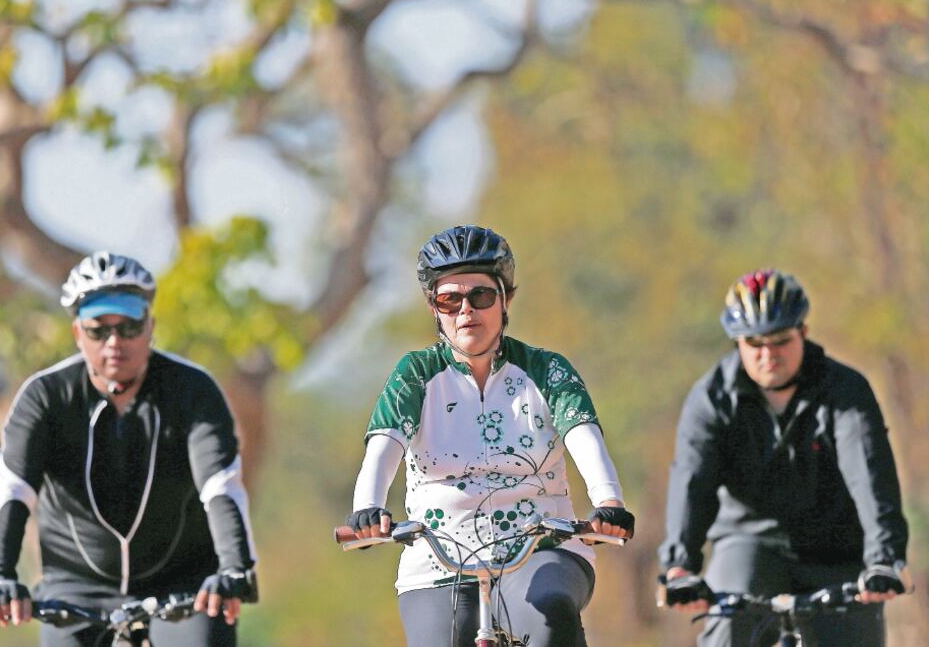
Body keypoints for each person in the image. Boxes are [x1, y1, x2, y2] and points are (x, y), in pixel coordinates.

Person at [346, 225, 635, 647]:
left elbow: (583, 435)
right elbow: (384, 445)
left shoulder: (546, 370)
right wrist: (367, 508)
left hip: (541, 548)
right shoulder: (416, 374)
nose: (466, 311)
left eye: (481, 296)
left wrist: (609, 502)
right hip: (438, 557)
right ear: (434, 307)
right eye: (450, 299)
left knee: (550, 615)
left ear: (505, 300)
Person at [0, 251, 258, 646]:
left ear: (151, 327)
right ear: (77, 333)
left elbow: (221, 486)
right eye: (98, 330)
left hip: (182, 582)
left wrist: (234, 568)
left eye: (129, 327)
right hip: (76, 585)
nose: (114, 342)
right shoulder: (45, 398)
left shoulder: (193, 392)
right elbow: (14, 491)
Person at [657, 268, 909, 646]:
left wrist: (885, 559)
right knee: (726, 628)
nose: (767, 354)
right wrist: (680, 566)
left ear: (803, 333)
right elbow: (693, 480)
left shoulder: (845, 391)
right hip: (749, 543)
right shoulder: (711, 399)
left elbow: (869, 473)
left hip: (836, 549)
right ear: (737, 343)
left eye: (780, 341)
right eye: (754, 343)